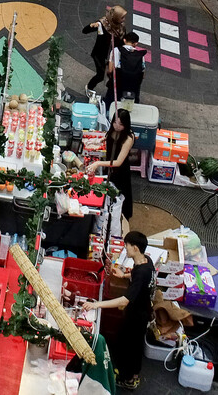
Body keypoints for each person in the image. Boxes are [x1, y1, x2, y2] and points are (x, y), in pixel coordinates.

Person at [82, 231, 154, 390]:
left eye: (127, 246)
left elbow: (124, 300)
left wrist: (97, 305)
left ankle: (129, 380)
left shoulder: (143, 271)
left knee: (131, 348)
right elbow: (137, 276)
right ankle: (130, 374)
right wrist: (123, 276)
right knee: (127, 342)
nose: (125, 249)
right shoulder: (145, 261)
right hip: (139, 311)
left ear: (135, 248)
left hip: (137, 316)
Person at [89, 110, 136, 218]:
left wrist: (98, 163)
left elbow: (118, 162)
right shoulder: (112, 130)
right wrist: (96, 141)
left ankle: (121, 216)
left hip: (120, 171)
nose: (117, 126)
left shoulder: (128, 138)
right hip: (108, 166)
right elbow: (107, 137)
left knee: (120, 193)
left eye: (120, 124)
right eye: (115, 122)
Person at [83, 6, 128, 96]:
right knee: (100, 75)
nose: (124, 20)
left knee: (111, 74)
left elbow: (122, 41)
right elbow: (85, 31)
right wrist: (92, 26)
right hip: (99, 54)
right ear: (116, 17)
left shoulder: (121, 28)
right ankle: (89, 87)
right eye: (122, 17)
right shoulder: (102, 24)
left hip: (112, 55)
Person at [105, 32, 146, 107]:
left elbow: (110, 70)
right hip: (133, 85)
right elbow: (142, 74)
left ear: (124, 40)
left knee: (111, 102)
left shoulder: (116, 50)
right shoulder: (140, 56)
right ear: (136, 43)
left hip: (118, 81)